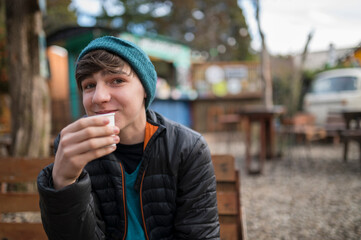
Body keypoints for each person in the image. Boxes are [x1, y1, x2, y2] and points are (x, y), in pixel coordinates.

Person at [37, 36, 220, 240]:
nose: (99, 97)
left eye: (117, 80)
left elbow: (200, 233)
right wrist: (64, 183)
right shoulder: (74, 148)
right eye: (89, 85)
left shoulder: (188, 147)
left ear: (145, 89)